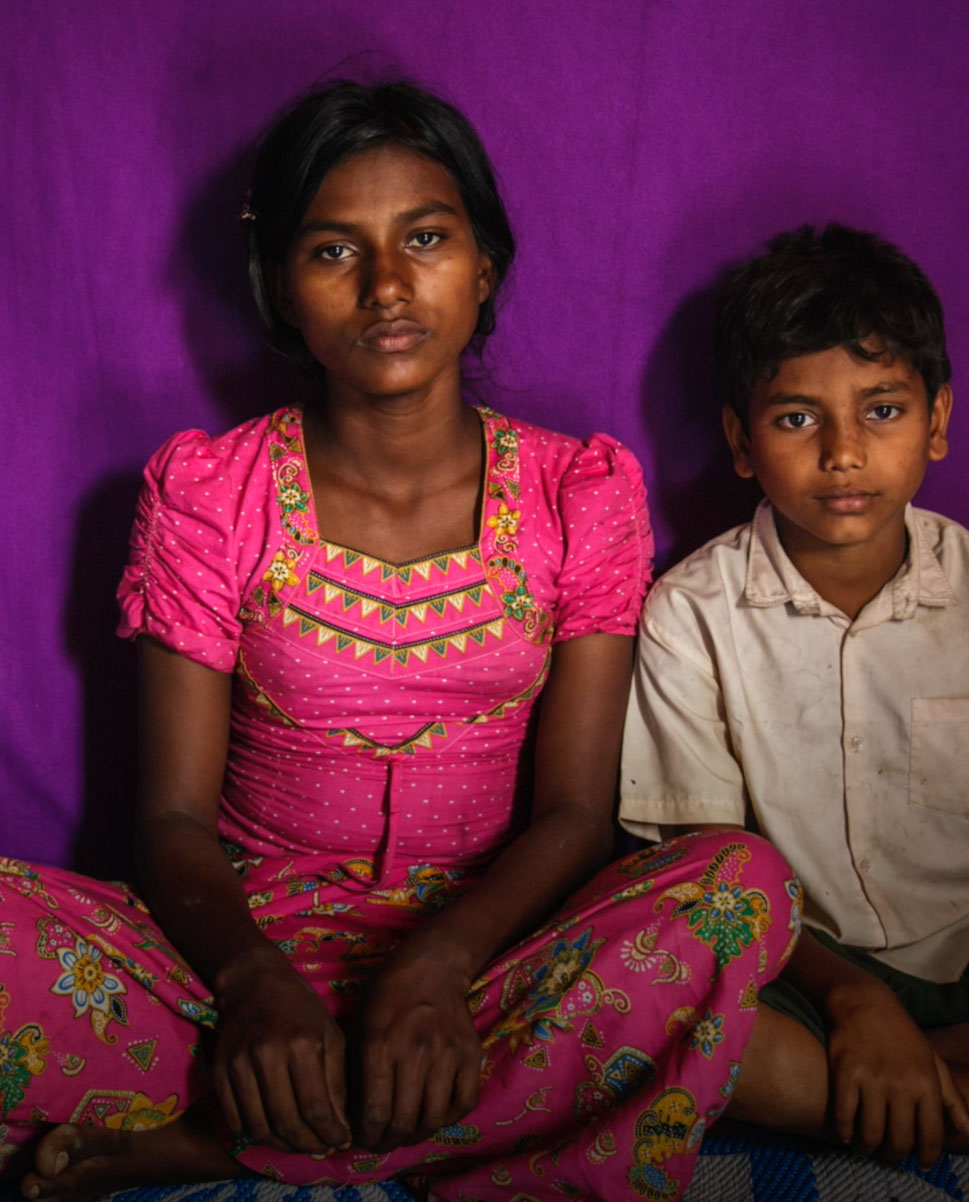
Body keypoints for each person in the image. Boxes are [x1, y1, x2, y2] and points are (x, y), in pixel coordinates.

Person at [3, 83, 800, 1202]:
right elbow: (171, 818)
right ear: (281, 285)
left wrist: (437, 964)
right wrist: (252, 984)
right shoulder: (208, 492)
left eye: (425, 237)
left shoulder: (582, 493)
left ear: (482, 264)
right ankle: (449, 1124)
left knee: (738, 883)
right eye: (336, 249)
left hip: (485, 957)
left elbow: (576, 809)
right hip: (230, 957)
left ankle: (221, 1138)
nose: (387, 285)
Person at [620, 223, 969, 1173]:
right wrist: (857, 1002)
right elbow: (706, 864)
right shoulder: (690, 613)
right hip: (800, 970)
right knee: (648, 997)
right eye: (796, 419)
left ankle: (906, 1085)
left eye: (881, 410)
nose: (842, 453)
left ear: (938, 420)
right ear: (741, 441)